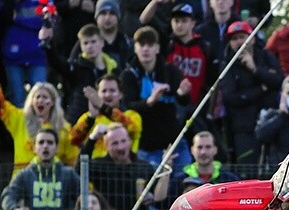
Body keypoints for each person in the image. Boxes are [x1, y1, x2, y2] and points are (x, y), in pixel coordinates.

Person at [0, 57, 77, 175]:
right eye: (37, 97)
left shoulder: (64, 128)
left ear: (53, 102)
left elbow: (73, 160)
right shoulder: (19, 118)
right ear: (31, 101)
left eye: (45, 97)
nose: (40, 100)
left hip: (52, 181)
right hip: (22, 181)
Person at [118, 26, 192, 167]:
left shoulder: (170, 70)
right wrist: (149, 102)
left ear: (157, 48)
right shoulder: (128, 76)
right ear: (135, 48)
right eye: (141, 45)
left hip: (175, 143)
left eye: (150, 45)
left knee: (186, 178)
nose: (146, 49)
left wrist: (182, 94)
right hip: (146, 147)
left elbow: (184, 102)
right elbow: (128, 106)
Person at [219, 21, 283, 166]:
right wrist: (261, 89)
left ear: (252, 38)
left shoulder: (266, 56)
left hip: (270, 122)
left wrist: (255, 69)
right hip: (243, 128)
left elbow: (278, 80)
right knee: (247, 169)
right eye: (234, 39)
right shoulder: (227, 65)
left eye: (242, 37)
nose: (238, 42)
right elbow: (231, 98)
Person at [88, 123, 157, 210]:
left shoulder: (144, 166)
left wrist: (152, 196)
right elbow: (79, 169)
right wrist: (92, 139)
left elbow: (161, 201)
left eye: (123, 141)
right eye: (114, 143)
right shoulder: (99, 165)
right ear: (106, 146)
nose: (120, 147)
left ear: (130, 141)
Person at [41, 21, 119, 123]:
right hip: (78, 121)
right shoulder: (76, 68)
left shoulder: (114, 68)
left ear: (102, 42)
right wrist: (48, 43)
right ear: (81, 46)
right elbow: (57, 63)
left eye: (93, 41)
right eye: (85, 43)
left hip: (107, 120)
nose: (90, 46)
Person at [69, 74, 143, 159]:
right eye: (104, 91)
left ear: (121, 94)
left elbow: (133, 129)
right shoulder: (88, 117)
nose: (108, 95)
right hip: (95, 166)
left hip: (123, 165)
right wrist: (91, 117)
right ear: (97, 94)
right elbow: (73, 140)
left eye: (112, 90)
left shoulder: (132, 115)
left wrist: (103, 107)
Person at [255, 74, 289, 170]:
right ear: (282, 95)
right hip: (276, 169)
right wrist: (282, 115)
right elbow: (261, 135)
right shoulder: (272, 115)